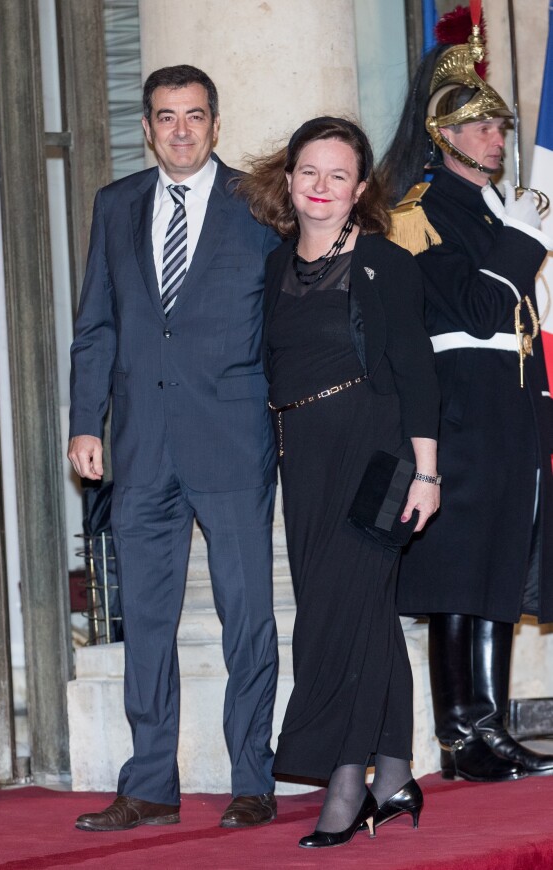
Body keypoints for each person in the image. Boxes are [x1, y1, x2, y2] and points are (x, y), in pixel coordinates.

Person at [68, 64, 281, 832]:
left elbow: (284, 321)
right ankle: (149, 783)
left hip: (231, 441)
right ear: (148, 126)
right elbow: (96, 325)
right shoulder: (116, 204)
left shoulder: (259, 205)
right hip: (142, 447)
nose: (181, 130)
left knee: (247, 616)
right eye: (166, 117)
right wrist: (86, 423)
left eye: (195, 116)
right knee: (147, 621)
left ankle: (253, 778)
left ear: (216, 126)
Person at [239, 117, 440, 849]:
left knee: (340, 618)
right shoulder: (272, 267)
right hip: (307, 456)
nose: (321, 188)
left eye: (338, 176)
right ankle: (395, 774)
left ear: (359, 191)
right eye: (309, 173)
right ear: (288, 180)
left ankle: (348, 781)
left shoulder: (387, 262)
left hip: (379, 450)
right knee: (364, 617)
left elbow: (419, 376)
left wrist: (426, 472)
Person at [379, 20, 553, 781]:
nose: (495, 138)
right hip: (461, 413)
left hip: (512, 408)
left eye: (499, 125)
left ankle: (493, 726)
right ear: (442, 134)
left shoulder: (492, 209)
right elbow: (476, 312)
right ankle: (461, 733)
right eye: (478, 126)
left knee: (498, 569)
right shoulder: (420, 209)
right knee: (459, 574)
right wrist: (521, 241)